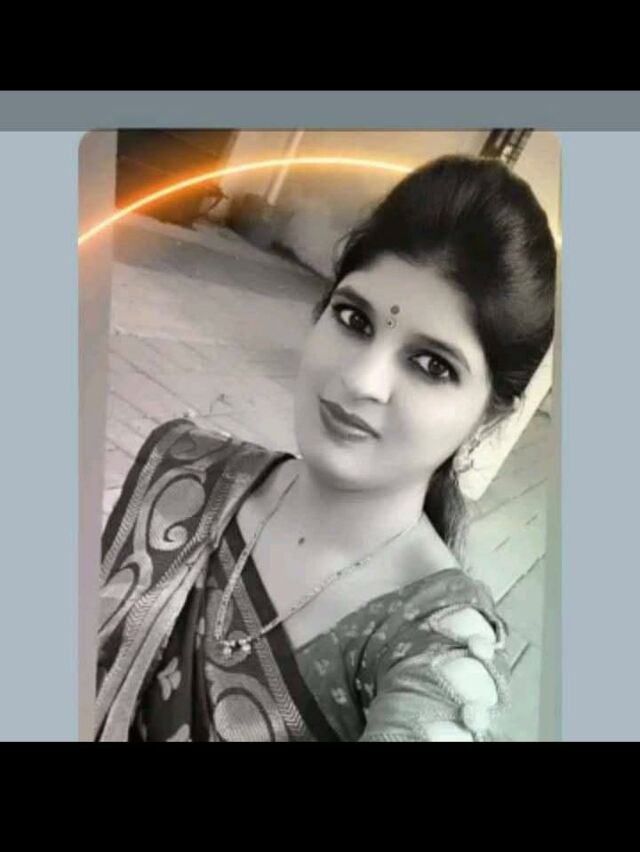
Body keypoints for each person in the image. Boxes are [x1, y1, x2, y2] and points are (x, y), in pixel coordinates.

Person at [96, 154, 556, 742]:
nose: (362, 380)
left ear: (489, 416)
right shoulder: (190, 471)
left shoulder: (435, 650)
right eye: (354, 319)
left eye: (432, 364)